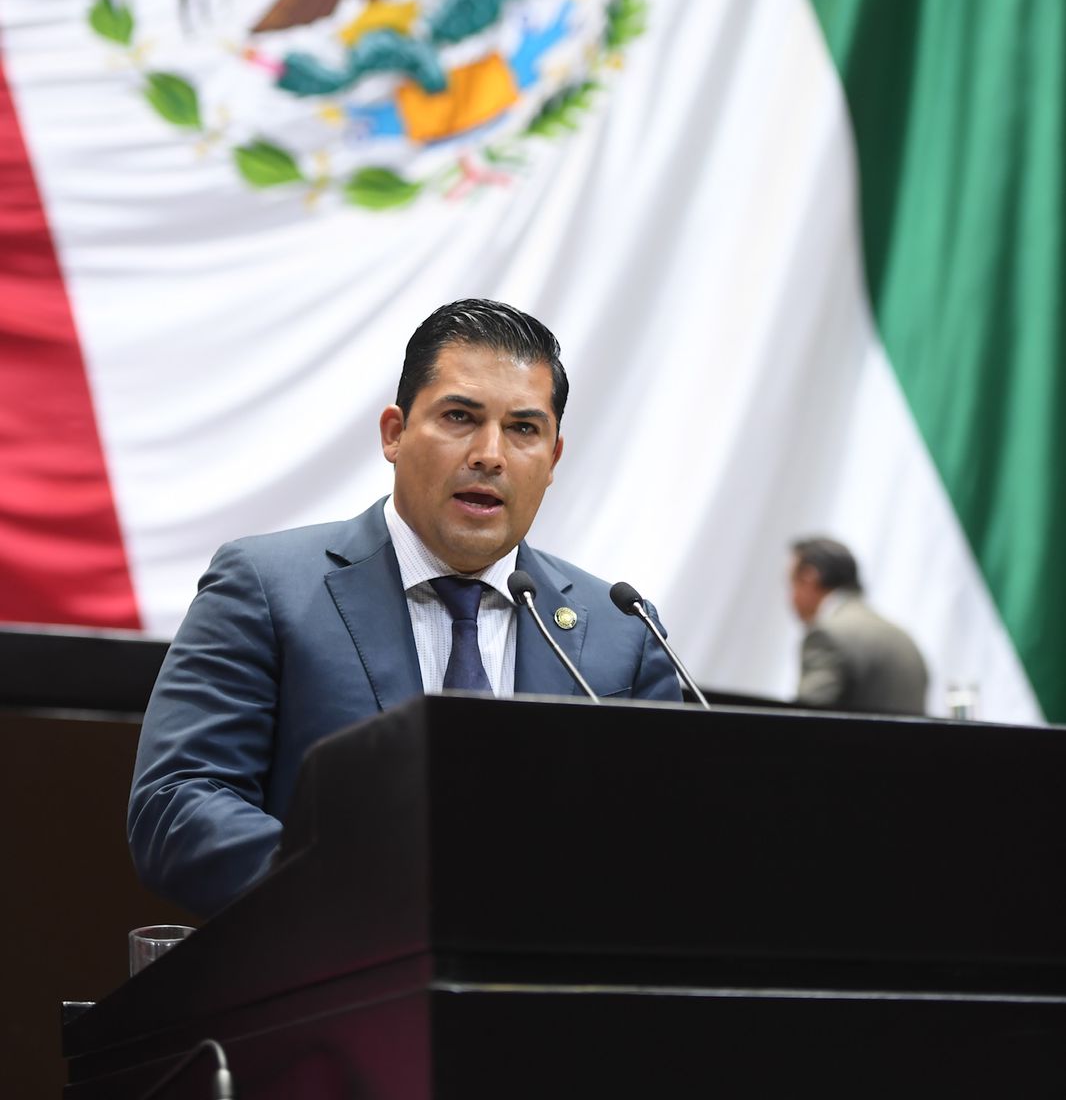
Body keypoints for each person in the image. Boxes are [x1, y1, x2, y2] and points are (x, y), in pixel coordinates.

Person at [128, 299, 681, 915]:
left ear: (552, 459)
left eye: (524, 429)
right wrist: (369, 894)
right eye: (460, 417)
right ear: (394, 433)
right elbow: (177, 807)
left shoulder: (622, 633)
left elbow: (669, 843)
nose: (490, 454)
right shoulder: (266, 586)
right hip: (334, 962)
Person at [789, 536, 928, 716]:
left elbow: (804, 720)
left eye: (791, 584)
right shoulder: (901, 636)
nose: (790, 598)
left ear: (809, 578)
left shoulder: (826, 636)